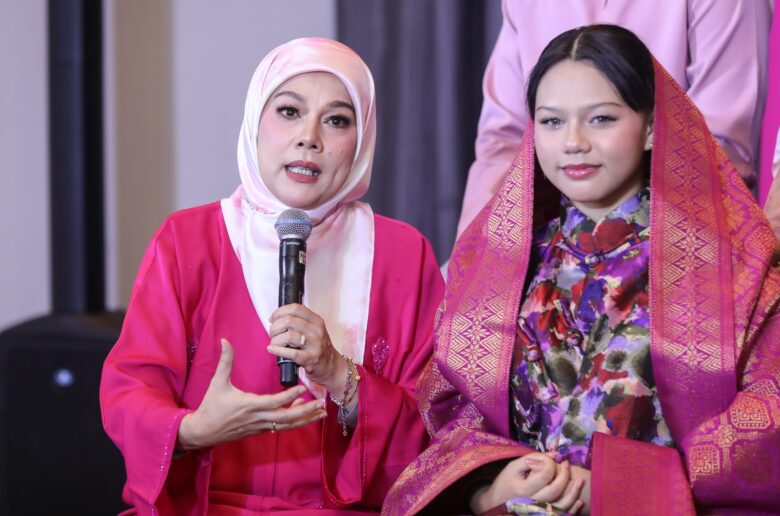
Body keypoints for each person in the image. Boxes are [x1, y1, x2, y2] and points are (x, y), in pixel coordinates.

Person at [384, 25, 780, 515]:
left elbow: (765, 426)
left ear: (652, 127)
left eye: (601, 119)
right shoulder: (497, 268)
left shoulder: (732, 267)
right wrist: (487, 485)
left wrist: (620, 488)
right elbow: (452, 414)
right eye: (552, 121)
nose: (573, 142)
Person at [100, 38, 444, 514]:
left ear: (363, 139)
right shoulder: (187, 240)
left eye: (337, 120)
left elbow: (439, 421)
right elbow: (130, 390)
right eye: (289, 111)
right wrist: (192, 430)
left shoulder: (404, 254)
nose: (309, 137)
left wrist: (341, 376)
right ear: (254, 122)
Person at [456, 0, 772, 237]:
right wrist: (474, 259)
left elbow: (719, 143)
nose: (574, 142)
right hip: (552, 243)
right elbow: (503, 143)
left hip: (679, 241)